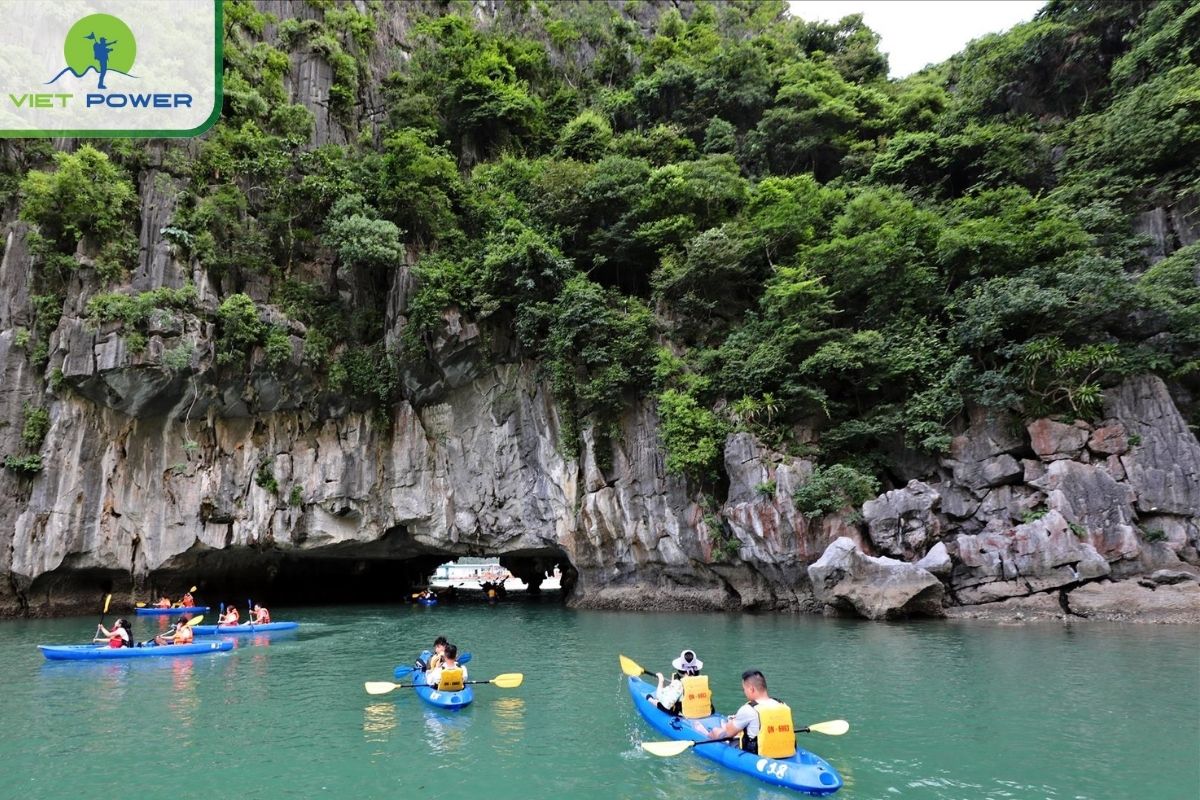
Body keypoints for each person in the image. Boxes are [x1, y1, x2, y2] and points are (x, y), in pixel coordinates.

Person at [701, 670, 795, 757]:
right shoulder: (782, 704)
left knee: (716, 731)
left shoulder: (748, 709)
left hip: (758, 754)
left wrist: (715, 732)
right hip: (785, 750)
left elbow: (727, 734)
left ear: (751, 689)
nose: (744, 692)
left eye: (744, 689)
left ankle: (703, 736)